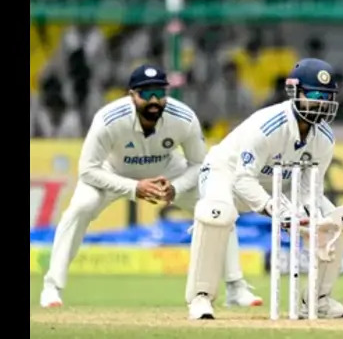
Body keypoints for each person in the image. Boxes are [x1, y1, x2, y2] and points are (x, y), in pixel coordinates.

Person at [39, 65, 261, 308]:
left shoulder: (183, 118)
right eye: (146, 94)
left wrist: (176, 187)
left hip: (167, 171)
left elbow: (200, 164)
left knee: (217, 208)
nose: (154, 100)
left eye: (159, 93)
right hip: (113, 172)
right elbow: (88, 170)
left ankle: (236, 288)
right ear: (131, 95)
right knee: (81, 206)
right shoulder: (108, 119)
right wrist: (135, 187)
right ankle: (52, 287)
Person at [186, 58, 343, 320]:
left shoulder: (324, 139)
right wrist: (277, 209)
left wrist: (306, 217)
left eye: (327, 96)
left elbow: (309, 188)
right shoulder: (267, 127)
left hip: (279, 185)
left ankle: (317, 300)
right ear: (295, 93)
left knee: (340, 219)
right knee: (216, 213)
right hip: (227, 174)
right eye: (313, 95)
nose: (320, 103)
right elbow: (243, 180)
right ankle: (200, 297)